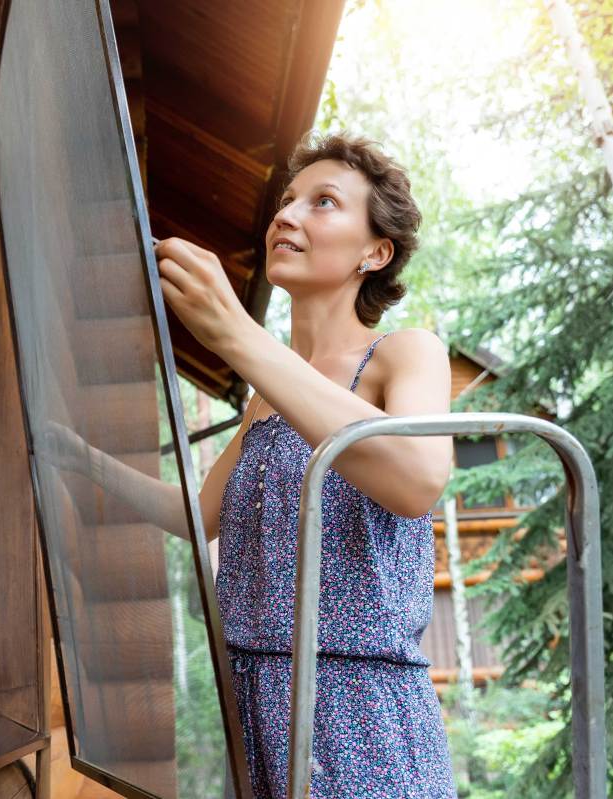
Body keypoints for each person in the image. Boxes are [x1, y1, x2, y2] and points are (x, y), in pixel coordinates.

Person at [151, 131, 457, 798]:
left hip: (363, 708)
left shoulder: (405, 353)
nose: (287, 215)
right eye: (287, 201)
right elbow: (188, 513)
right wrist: (71, 457)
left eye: (323, 202)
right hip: (254, 702)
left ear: (375, 252)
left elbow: (416, 478)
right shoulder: (267, 395)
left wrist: (235, 334)